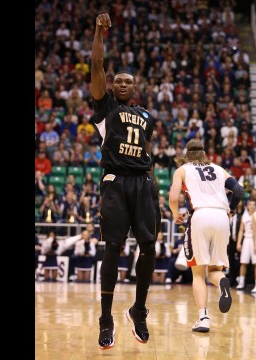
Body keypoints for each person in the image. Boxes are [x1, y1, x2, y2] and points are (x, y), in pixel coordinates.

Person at [91, 13, 158, 350]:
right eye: (116, 80)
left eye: (126, 81)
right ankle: (106, 318)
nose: (120, 83)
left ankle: (139, 309)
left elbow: (147, 153)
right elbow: (97, 64)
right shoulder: (105, 108)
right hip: (116, 182)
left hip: (143, 184)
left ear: (135, 88)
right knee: (113, 248)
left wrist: (153, 185)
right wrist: (98, 32)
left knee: (150, 248)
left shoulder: (147, 116)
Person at [168, 139, 244, 333]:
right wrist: (231, 210)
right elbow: (238, 190)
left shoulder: (182, 170)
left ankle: (203, 318)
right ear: (203, 153)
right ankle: (222, 282)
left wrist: (176, 214)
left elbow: (174, 197)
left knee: (198, 273)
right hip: (221, 217)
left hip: (200, 216)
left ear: (187, 153)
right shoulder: (218, 169)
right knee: (214, 269)